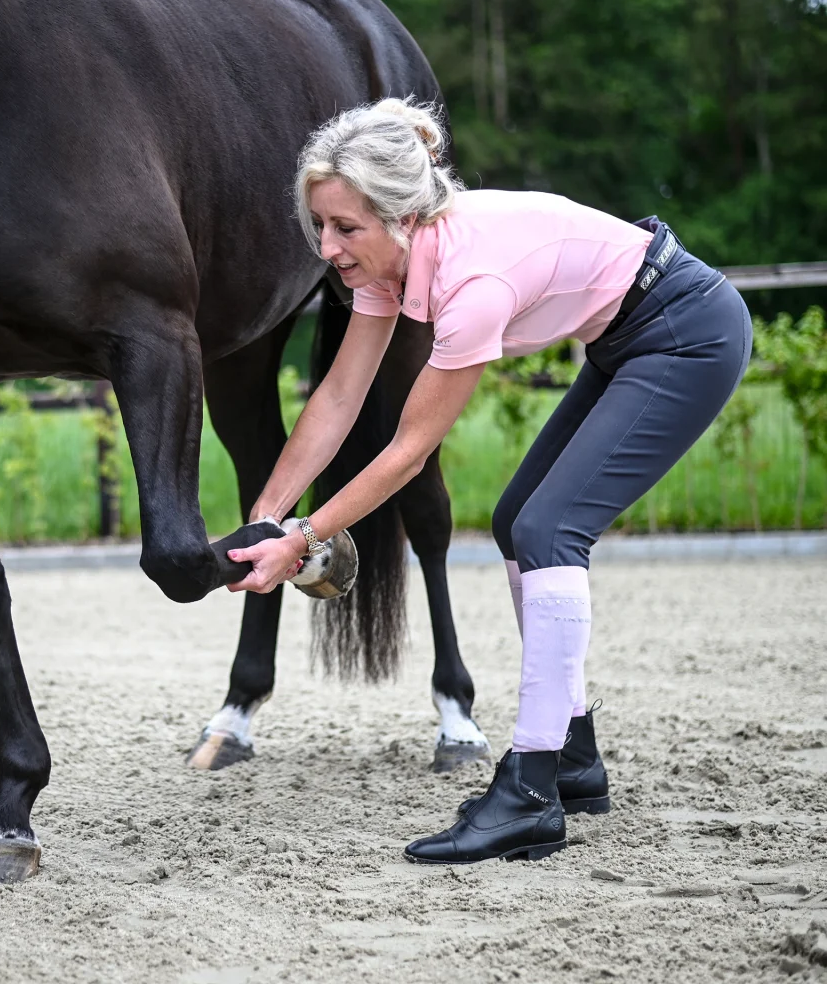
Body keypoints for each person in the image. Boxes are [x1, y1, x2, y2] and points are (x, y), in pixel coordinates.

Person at [225, 97, 751, 863]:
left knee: (548, 530)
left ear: (402, 217)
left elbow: (407, 451)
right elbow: (338, 397)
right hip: (629, 336)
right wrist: (268, 515)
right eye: (321, 226)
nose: (327, 247)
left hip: (686, 334)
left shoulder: (473, 281)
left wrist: (305, 536)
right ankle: (573, 758)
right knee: (517, 523)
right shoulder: (392, 262)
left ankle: (531, 788)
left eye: (345, 228)